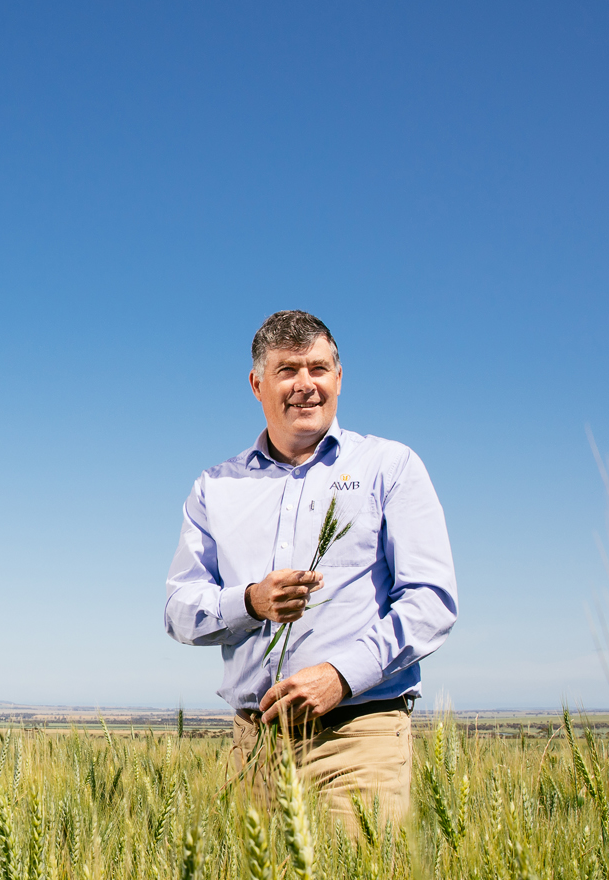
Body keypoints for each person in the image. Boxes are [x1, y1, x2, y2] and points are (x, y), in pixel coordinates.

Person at [163, 310, 457, 830]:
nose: (305, 385)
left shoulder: (389, 467)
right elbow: (179, 611)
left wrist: (341, 677)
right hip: (254, 745)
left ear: (339, 378)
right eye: (287, 370)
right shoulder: (215, 486)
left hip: (356, 738)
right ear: (258, 384)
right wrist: (250, 602)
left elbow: (431, 602)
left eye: (318, 368)